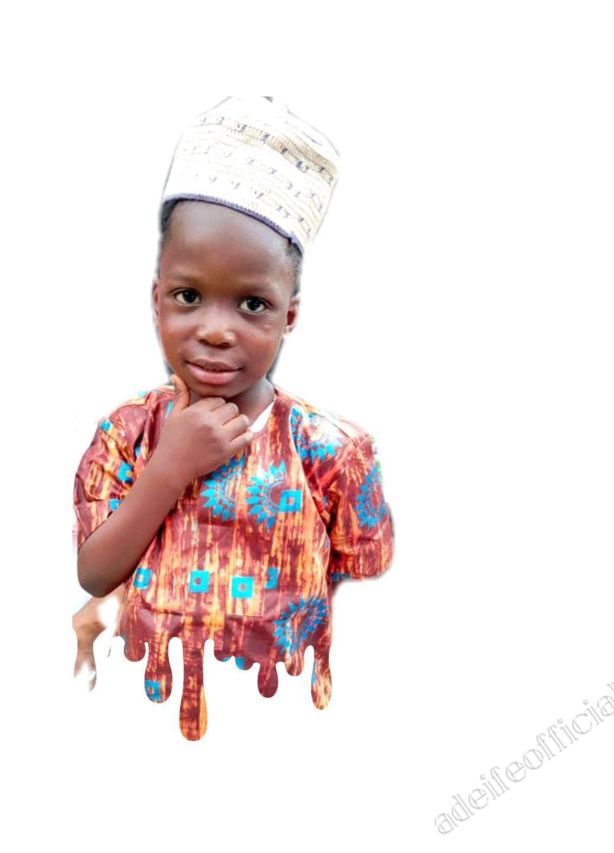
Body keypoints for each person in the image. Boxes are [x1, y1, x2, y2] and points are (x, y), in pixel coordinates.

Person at [72, 96, 395, 740]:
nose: (216, 331)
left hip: (285, 718)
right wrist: (169, 469)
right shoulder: (127, 433)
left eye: (251, 304)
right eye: (189, 296)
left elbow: (369, 568)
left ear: (288, 316)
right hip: (142, 716)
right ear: (157, 298)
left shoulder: (329, 448)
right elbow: (94, 572)